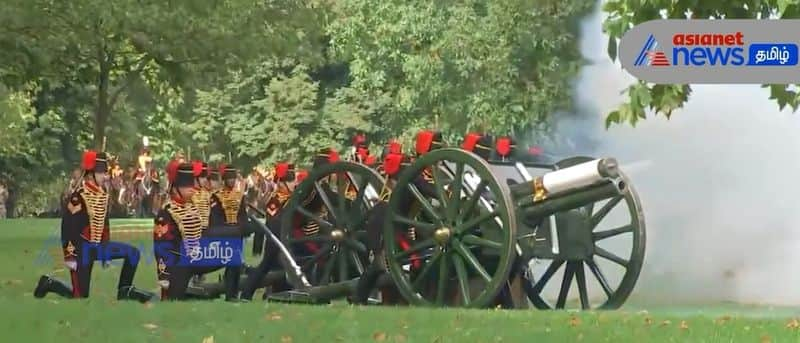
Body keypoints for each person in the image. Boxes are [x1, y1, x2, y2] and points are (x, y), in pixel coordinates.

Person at [34, 150, 154, 302]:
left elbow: (105, 225)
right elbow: (68, 228)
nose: (106, 177)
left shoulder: (102, 195)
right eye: (102, 173)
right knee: (80, 297)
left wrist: (107, 251)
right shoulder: (79, 197)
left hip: (99, 246)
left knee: (133, 253)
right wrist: (70, 255)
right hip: (81, 250)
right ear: (91, 174)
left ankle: (125, 290)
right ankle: (49, 283)